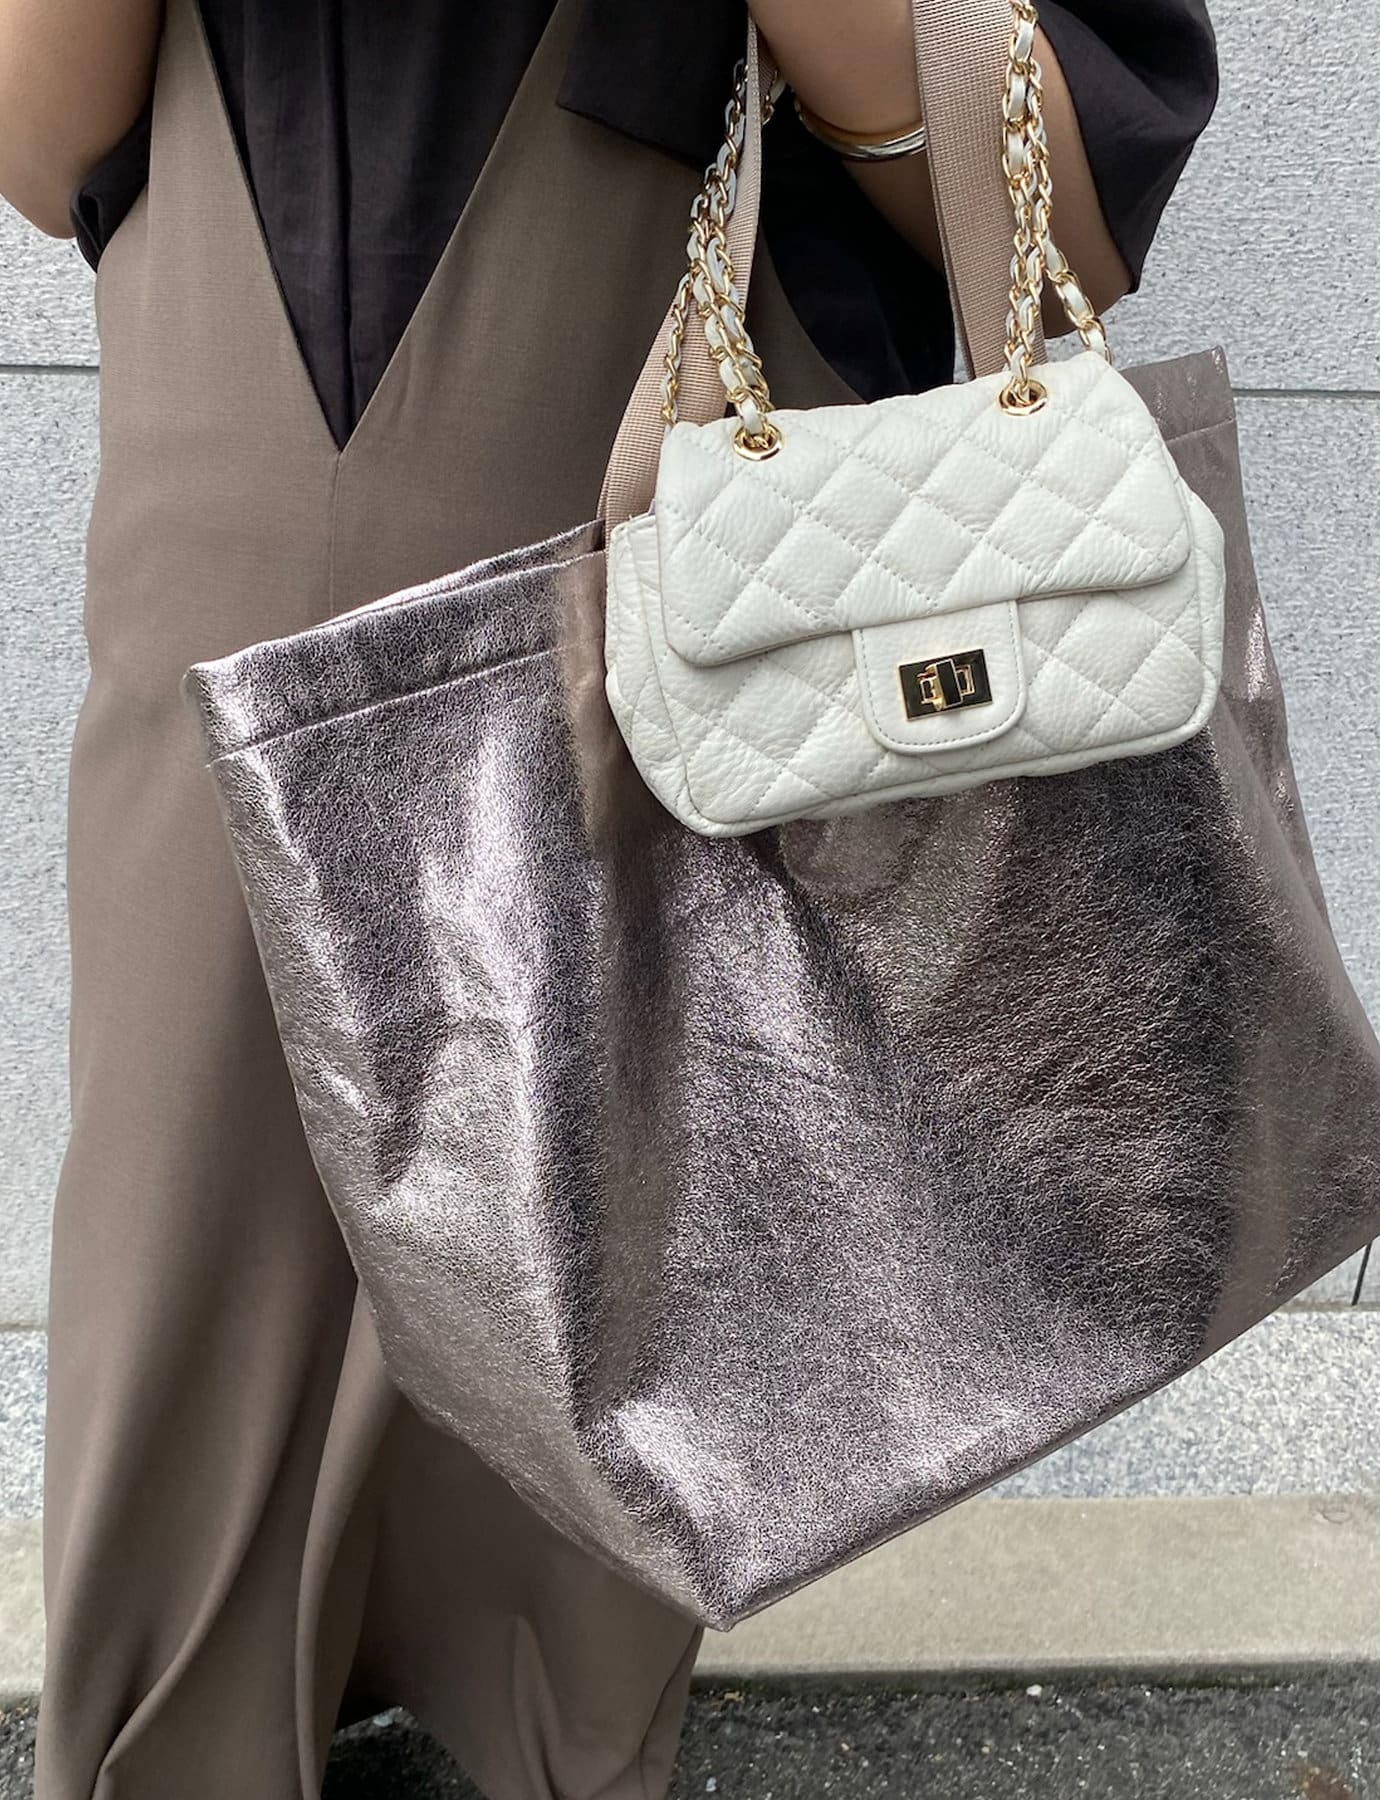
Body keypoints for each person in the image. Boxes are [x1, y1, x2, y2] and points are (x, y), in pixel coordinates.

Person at [0, 1, 1217, 1794]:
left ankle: (556, 1724)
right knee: (191, 1180)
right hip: (231, 336)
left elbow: (1055, 215)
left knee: (625, 1172)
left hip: (678, 381)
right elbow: (43, 156)